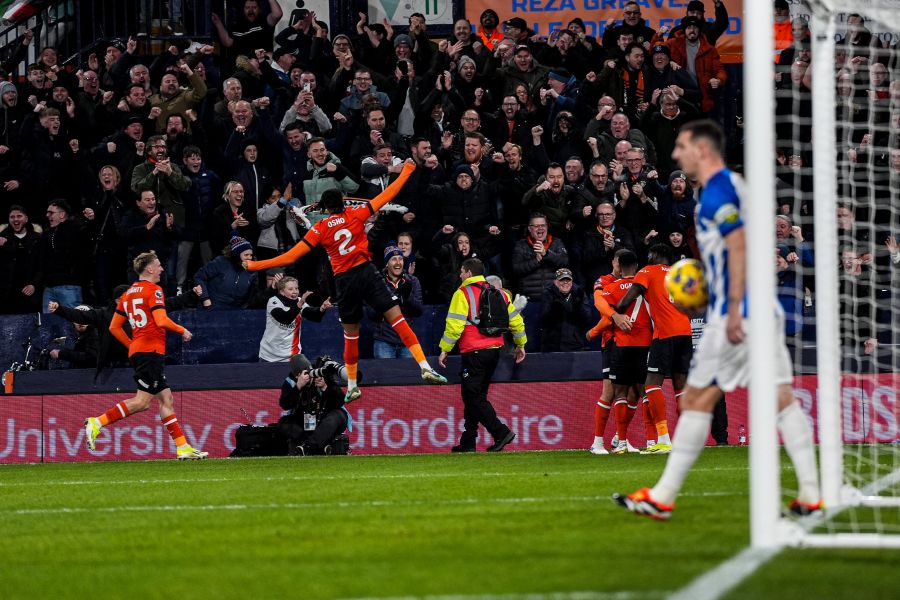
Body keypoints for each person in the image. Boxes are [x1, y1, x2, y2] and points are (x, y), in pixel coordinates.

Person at [614, 120, 821, 520]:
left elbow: (738, 247)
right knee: (777, 398)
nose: (675, 155)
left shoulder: (717, 196)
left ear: (702, 151)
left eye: (681, 147)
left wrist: (734, 307)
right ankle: (811, 494)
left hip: (738, 313)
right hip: (760, 309)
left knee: (696, 399)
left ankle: (662, 496)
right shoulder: (734, 188)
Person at [244, 161, 448, 402]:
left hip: (345, 281)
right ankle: (424, 366)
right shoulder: (356, 213)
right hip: (367, 272)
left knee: (351, 335)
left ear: (326, 209)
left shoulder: (320, 228)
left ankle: (351, 385)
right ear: (343, 203)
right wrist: (407, 171)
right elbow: (388, 194)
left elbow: (291, 256)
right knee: (398, 319)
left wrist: (255, 265)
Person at [83, 251, 207, 460]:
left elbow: (114, 327)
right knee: (142, 402)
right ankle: (98, 422)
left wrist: (132, 345)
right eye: (158, 265)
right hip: (150, 352)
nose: (161, 269)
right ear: (149, 269)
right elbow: (161, 320)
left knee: (166, 398)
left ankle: (183, 447)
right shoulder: (153, 290)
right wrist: (182, 330)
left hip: (142, 351)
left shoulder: (128, 293)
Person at [608, 244, 694, 454]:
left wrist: (615, 310)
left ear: (655, 255)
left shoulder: (647, 271)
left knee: (651, 385)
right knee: (680, 386)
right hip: (685, 332)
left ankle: (663, 438)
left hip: (664, 334)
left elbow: (629, 297)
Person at [438, 257, 526, 452]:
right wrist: (521, 344)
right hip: (495, 352)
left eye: (461, 271)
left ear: (468, 273)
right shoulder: (499, 293)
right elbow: (516, 321)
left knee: (472, 396)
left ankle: (501, 432)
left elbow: (454, 325)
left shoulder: (462, 293)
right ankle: (468, 440)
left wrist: (445, 349)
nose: (460, 275)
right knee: (477, 396)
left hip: (474, 352)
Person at [279, 354, 351, 456]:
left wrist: (325, 387)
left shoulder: (321, 373)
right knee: (284, 423)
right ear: (296, 376)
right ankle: (318, 446)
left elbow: (340, 401)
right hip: (305, 418)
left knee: (336, 416)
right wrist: (298, 387)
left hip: (326, 416)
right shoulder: (291, 381)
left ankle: (308, 447)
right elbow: (285, 404)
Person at [366, 244, 424, 359]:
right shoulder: (377, 283)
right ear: (387, 263)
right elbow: (371, 314)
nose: (398, 262)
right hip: (384, 342)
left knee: (408, 376)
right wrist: (386, 301)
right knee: (385, 376)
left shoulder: (412, 281)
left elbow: (418, 311)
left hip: (408, 342)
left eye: (400, 259)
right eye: (393, 259)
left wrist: (407, 297)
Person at [259, 276, 331, 362]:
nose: (295, 291)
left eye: (296, 288)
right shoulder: (273, 301)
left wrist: (322, 308)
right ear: (282, 291)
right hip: (269, 355)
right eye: (290, 289)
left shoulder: (299, 301)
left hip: (292, 356)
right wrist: (300, 303)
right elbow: (285, 318)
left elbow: (312, 315)